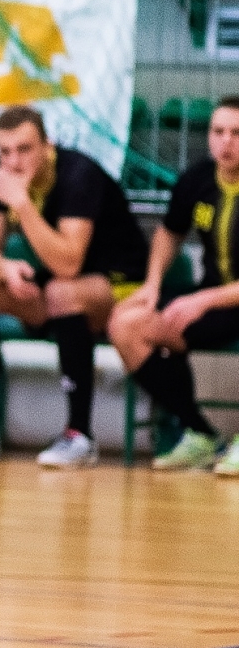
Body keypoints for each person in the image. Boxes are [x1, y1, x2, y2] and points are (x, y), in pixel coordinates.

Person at [0, 106, 148, 467]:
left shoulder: (78, 174)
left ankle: (80, 435)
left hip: (122, 283)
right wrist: (7, 269)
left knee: (62, 291)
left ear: (48, 146)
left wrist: (22, 203)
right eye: (5, 151)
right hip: (59, 284)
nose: (14, 161)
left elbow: (69, 263)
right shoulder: (4, 175)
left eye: (25, 149)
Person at [109, 95, 239, 475]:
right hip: (214, 303)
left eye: (236, 133)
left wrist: (203, 301)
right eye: (218, 131)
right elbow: (169, 233)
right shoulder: (197, 179)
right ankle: (200, 433)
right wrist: (152, 284)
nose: (226, 141)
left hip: (218, 300)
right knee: (126, 324)